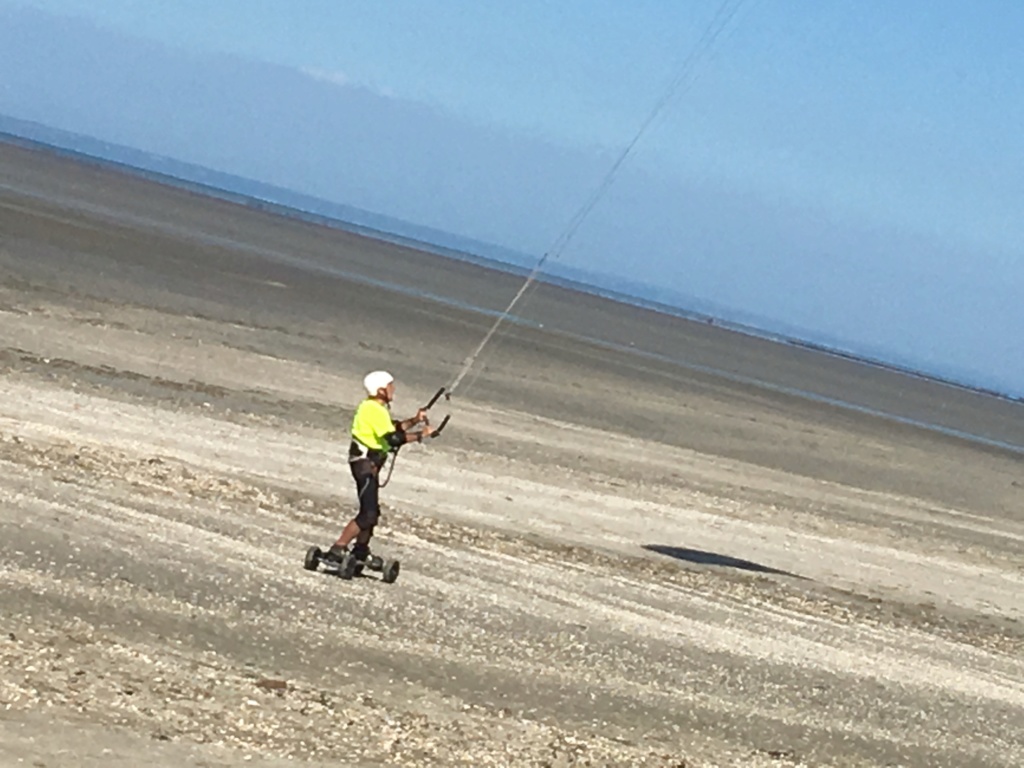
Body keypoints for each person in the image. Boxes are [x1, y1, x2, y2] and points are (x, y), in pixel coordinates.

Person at [326, 370, 434, 562]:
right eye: (390, 386)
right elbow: (393, 438)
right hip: (364, 465)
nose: (394, 389)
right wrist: (420, 435)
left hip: (370, 465)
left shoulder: (376, 409)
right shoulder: (372, 409)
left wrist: (415, 420)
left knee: (372, 511)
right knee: (368, 513)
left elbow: (393, 428)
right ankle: (338, 548)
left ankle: (360, 550)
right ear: (381, 390)